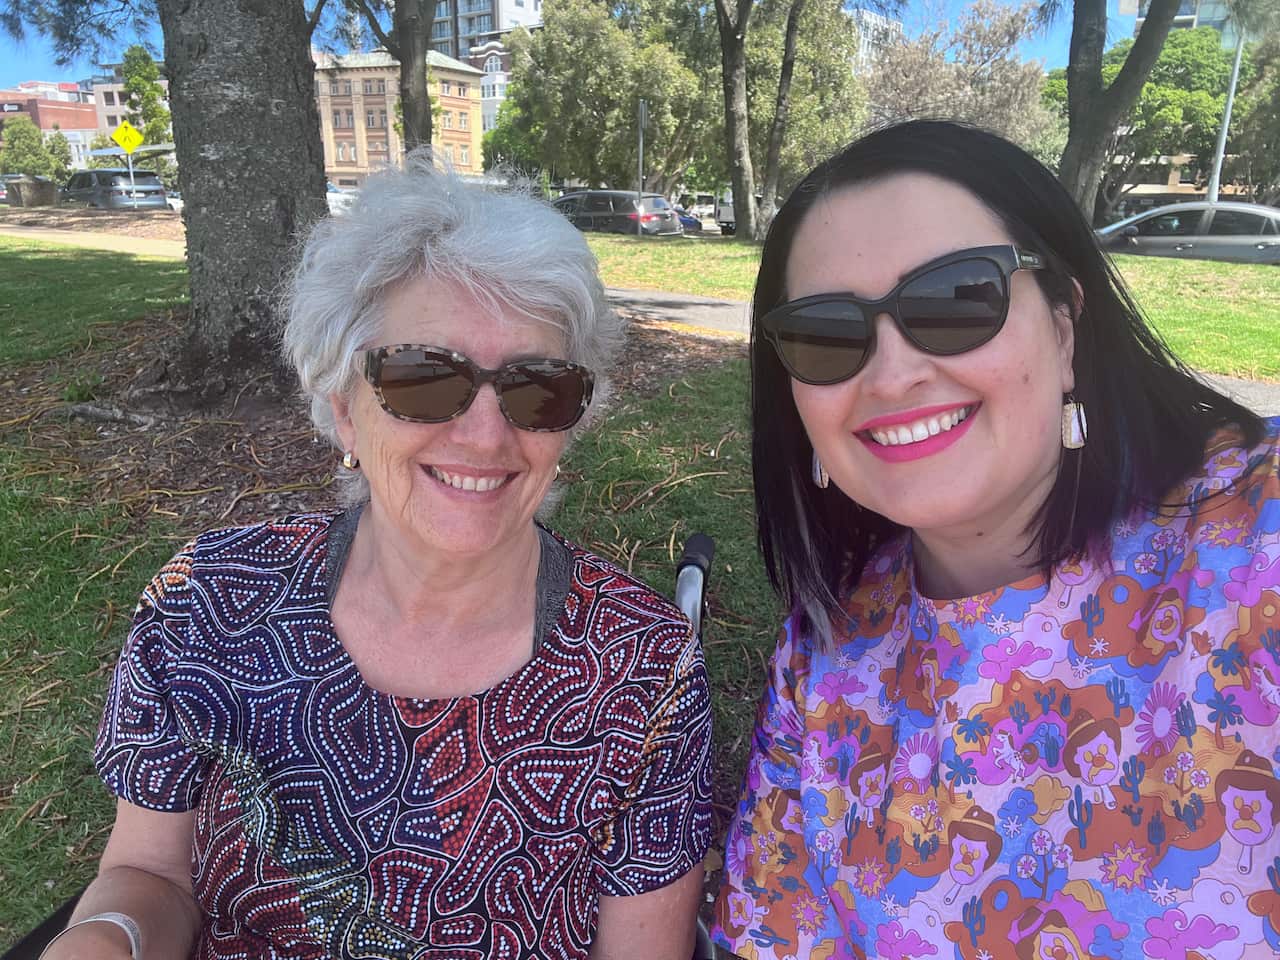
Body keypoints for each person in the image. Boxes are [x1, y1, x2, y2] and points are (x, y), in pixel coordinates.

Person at [48, 153, 713, 960]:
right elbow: (152, 875)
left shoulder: (645, 666)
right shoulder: (206, 604)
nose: (485, 434)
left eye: (539, 388)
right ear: (345, 409)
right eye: (426, 378)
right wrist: (109, 938)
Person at [712, 120, 1280, 959]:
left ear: (1065, 325)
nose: (893, 372)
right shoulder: (824, 654)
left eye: (954, 299)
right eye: (826, 335)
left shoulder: (1257, 531)